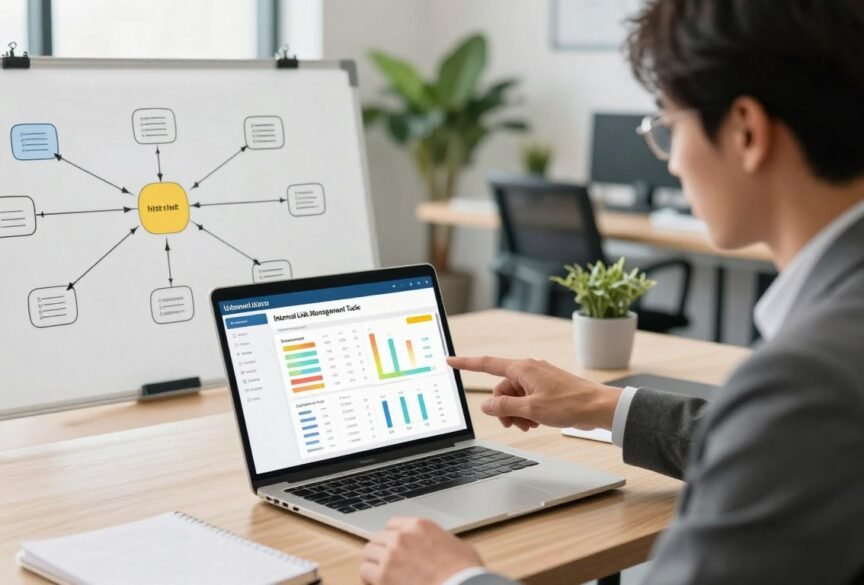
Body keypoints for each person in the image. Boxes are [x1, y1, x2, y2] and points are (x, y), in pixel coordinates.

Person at [359, 0, 864, 583]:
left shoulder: (808, 377)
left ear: (746, 130)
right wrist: (600, 405)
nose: (672, 163)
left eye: (669, 128)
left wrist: (452, 579)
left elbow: (791, 426)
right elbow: (785, 451)